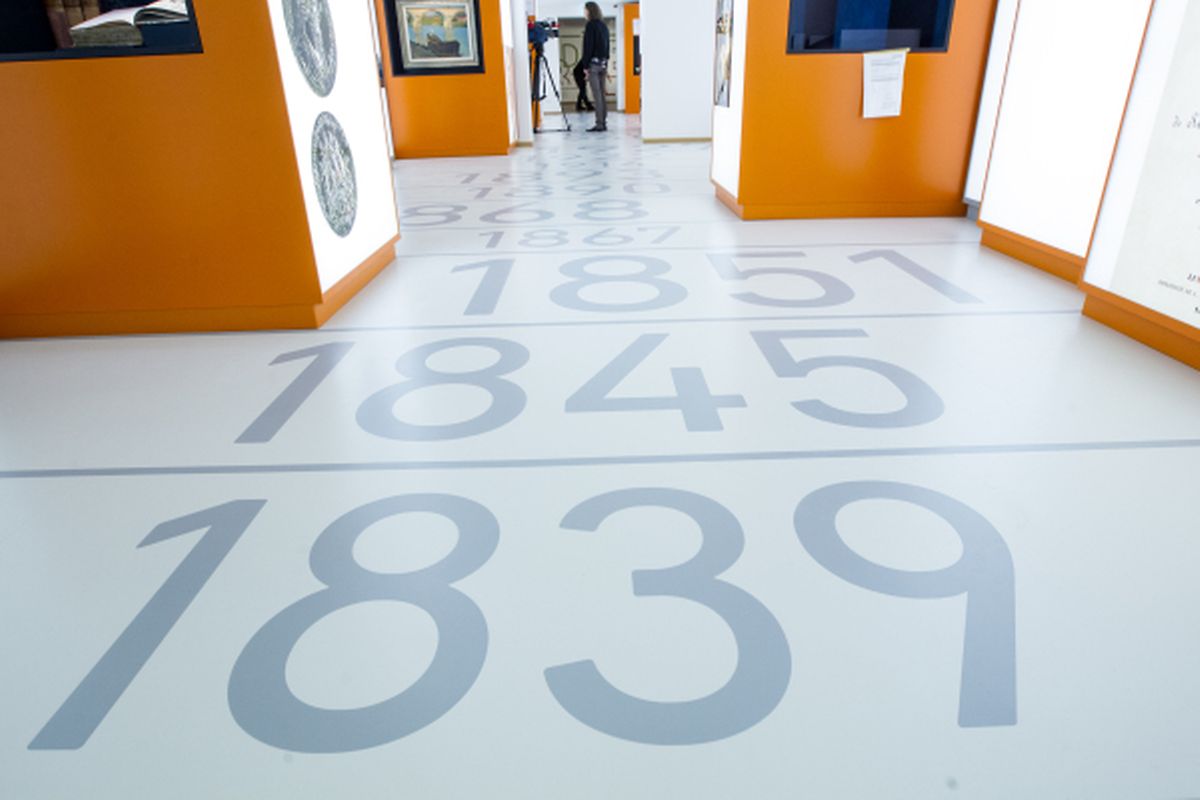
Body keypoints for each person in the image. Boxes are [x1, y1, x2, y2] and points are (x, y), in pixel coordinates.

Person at [581, 2, 609, 132]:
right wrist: (606, 61)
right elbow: (607, 45)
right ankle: (603, 122)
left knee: (597, 96)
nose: (584, 12)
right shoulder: (603, 26)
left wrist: (585, 65)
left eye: (585, 10)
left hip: (593, 65)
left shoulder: (590, 25)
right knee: (602, 95)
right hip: (603, 64)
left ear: (589, 11)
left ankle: (599, 124)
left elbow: (588, 46)